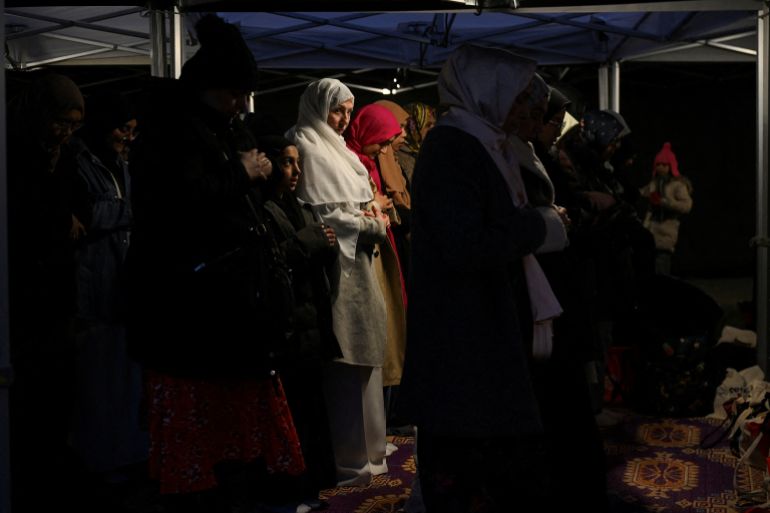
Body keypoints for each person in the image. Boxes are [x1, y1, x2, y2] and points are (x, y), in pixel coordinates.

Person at [125, 15, 304, 512]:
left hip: (223, 315)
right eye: (234, 94)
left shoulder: (211, 127)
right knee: (204, 453)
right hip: (190, 315)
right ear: (209, 88)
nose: (242, 106)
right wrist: (241, 172)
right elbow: (177, 206)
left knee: (230, 452)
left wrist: (253, 177)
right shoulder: (171, 134)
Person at [398, 44, 556, 512]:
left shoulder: (480, 142)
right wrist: (538, 226)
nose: (525, 107)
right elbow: (465, 243)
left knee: (484, 464)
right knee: (465, 472)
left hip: (477, 332)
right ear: (490, 90)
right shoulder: (454, 147)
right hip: (462, 338)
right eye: (519, 94)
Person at [287, 78, 391, 487]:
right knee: (344, 363)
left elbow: (359, 203)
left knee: (365, 358)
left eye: (349, 111)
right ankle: (349, 458)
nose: (344, 120)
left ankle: (372, 451)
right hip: (336, 270)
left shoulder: (339, 149)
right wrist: (371, 225)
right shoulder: (306, 143)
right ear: (318, 106)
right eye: (337, 110)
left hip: (360, 266)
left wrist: (370, 219)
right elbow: (324, 215)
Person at [7, 72, 88, 512]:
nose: (65, 131)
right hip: (25, 296)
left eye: (74, 124)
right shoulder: (15, 154)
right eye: (61, 121)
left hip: (57, 292)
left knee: (57, 396)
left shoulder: (65, 156)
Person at [250, 130, 341, 510]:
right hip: (286, 329)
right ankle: (292, 487)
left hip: (308, 324)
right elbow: (268, 261)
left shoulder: (295, 204)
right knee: (294, 413)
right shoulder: (258, 207)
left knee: (310, 410)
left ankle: (312, 483)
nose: (295, 171)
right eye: (287, 162)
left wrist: (323, 242)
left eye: (297, 163)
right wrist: (313, 241)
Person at [68, 91, 149, 487]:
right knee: (97, 386)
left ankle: (125, 457)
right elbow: (85, 213)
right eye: (122, 128)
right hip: (95, 288)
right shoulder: (79, 160)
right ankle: (100, 464)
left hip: (121, 287)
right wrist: (131, 212)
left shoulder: (120, 164)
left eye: (133, 130)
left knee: (122, 383)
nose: (127, 137)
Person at [640, 142, 693, 275]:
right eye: (658, 164)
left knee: (662, 262)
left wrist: (665, 202)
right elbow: (643, 195)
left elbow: (686, 205)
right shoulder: (654, 183)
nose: (661, 167)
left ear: (671, 166)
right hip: (651, 227)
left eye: (664, 164)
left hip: (667, 228)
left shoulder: (677, 185)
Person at [396, 102, 436, 184]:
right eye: (428, 125)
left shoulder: (422, 151)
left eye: (434, 124)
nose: (433, 129)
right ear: (413, 128)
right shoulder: (401, 156)